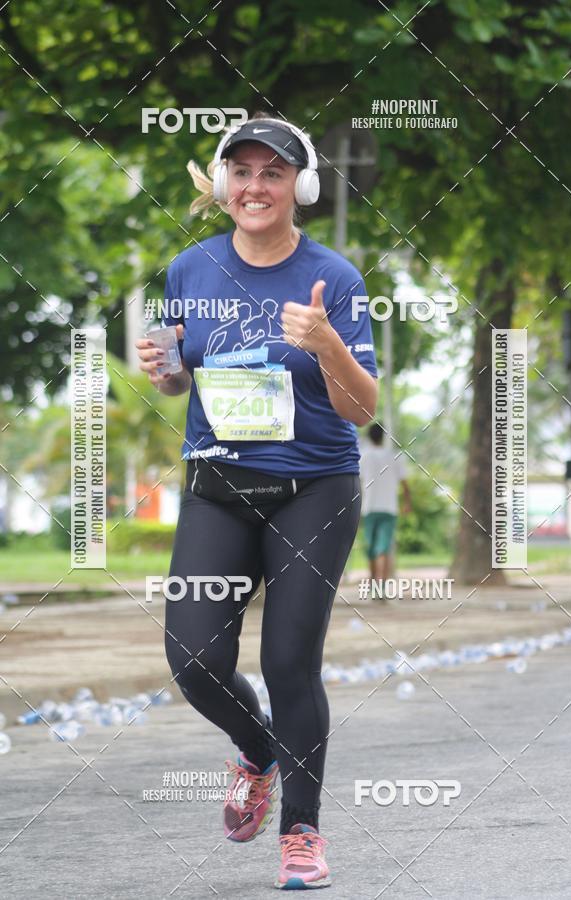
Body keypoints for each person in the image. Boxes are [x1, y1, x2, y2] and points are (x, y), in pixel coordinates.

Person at [136, 112, 378, 891]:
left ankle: (301, 834)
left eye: (273, 172)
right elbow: (182, 379)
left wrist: (326, 344)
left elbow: (363, 409)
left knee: (287, 659)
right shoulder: (189, 269)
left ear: (299, 186)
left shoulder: (334, 279)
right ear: (226, 184)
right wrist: (164, 370)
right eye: (242, 172)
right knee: (194, 659)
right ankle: (259, 748)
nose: (256, 186)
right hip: (219, 487)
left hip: (314, 488)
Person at [359, 423, 411, 593]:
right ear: (383, 436)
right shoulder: (394, 456)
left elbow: (357, 482)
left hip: (369, 508)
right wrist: (407, 504)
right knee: (384, 548)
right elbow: (405, 484)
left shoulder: (363, 457)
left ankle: (375, 586)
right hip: (389, 508)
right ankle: (381, 587)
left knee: (371, 549)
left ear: (369, 437)